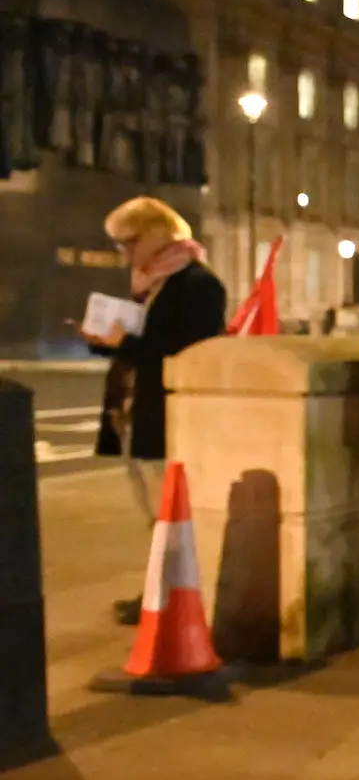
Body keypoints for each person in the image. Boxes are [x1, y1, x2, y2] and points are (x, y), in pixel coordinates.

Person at [85, 196, 226, 625]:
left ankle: (172, 598)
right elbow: (144, 345)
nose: (123, 252)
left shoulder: (197, 284)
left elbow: (189, 353)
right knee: (156, 514)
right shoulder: (151, 283)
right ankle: (160, 593)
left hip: (169, 416)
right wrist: (105, 342)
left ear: (159, 234)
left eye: (129, 241)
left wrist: (126, 343)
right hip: (135, 411)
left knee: (172, 514)